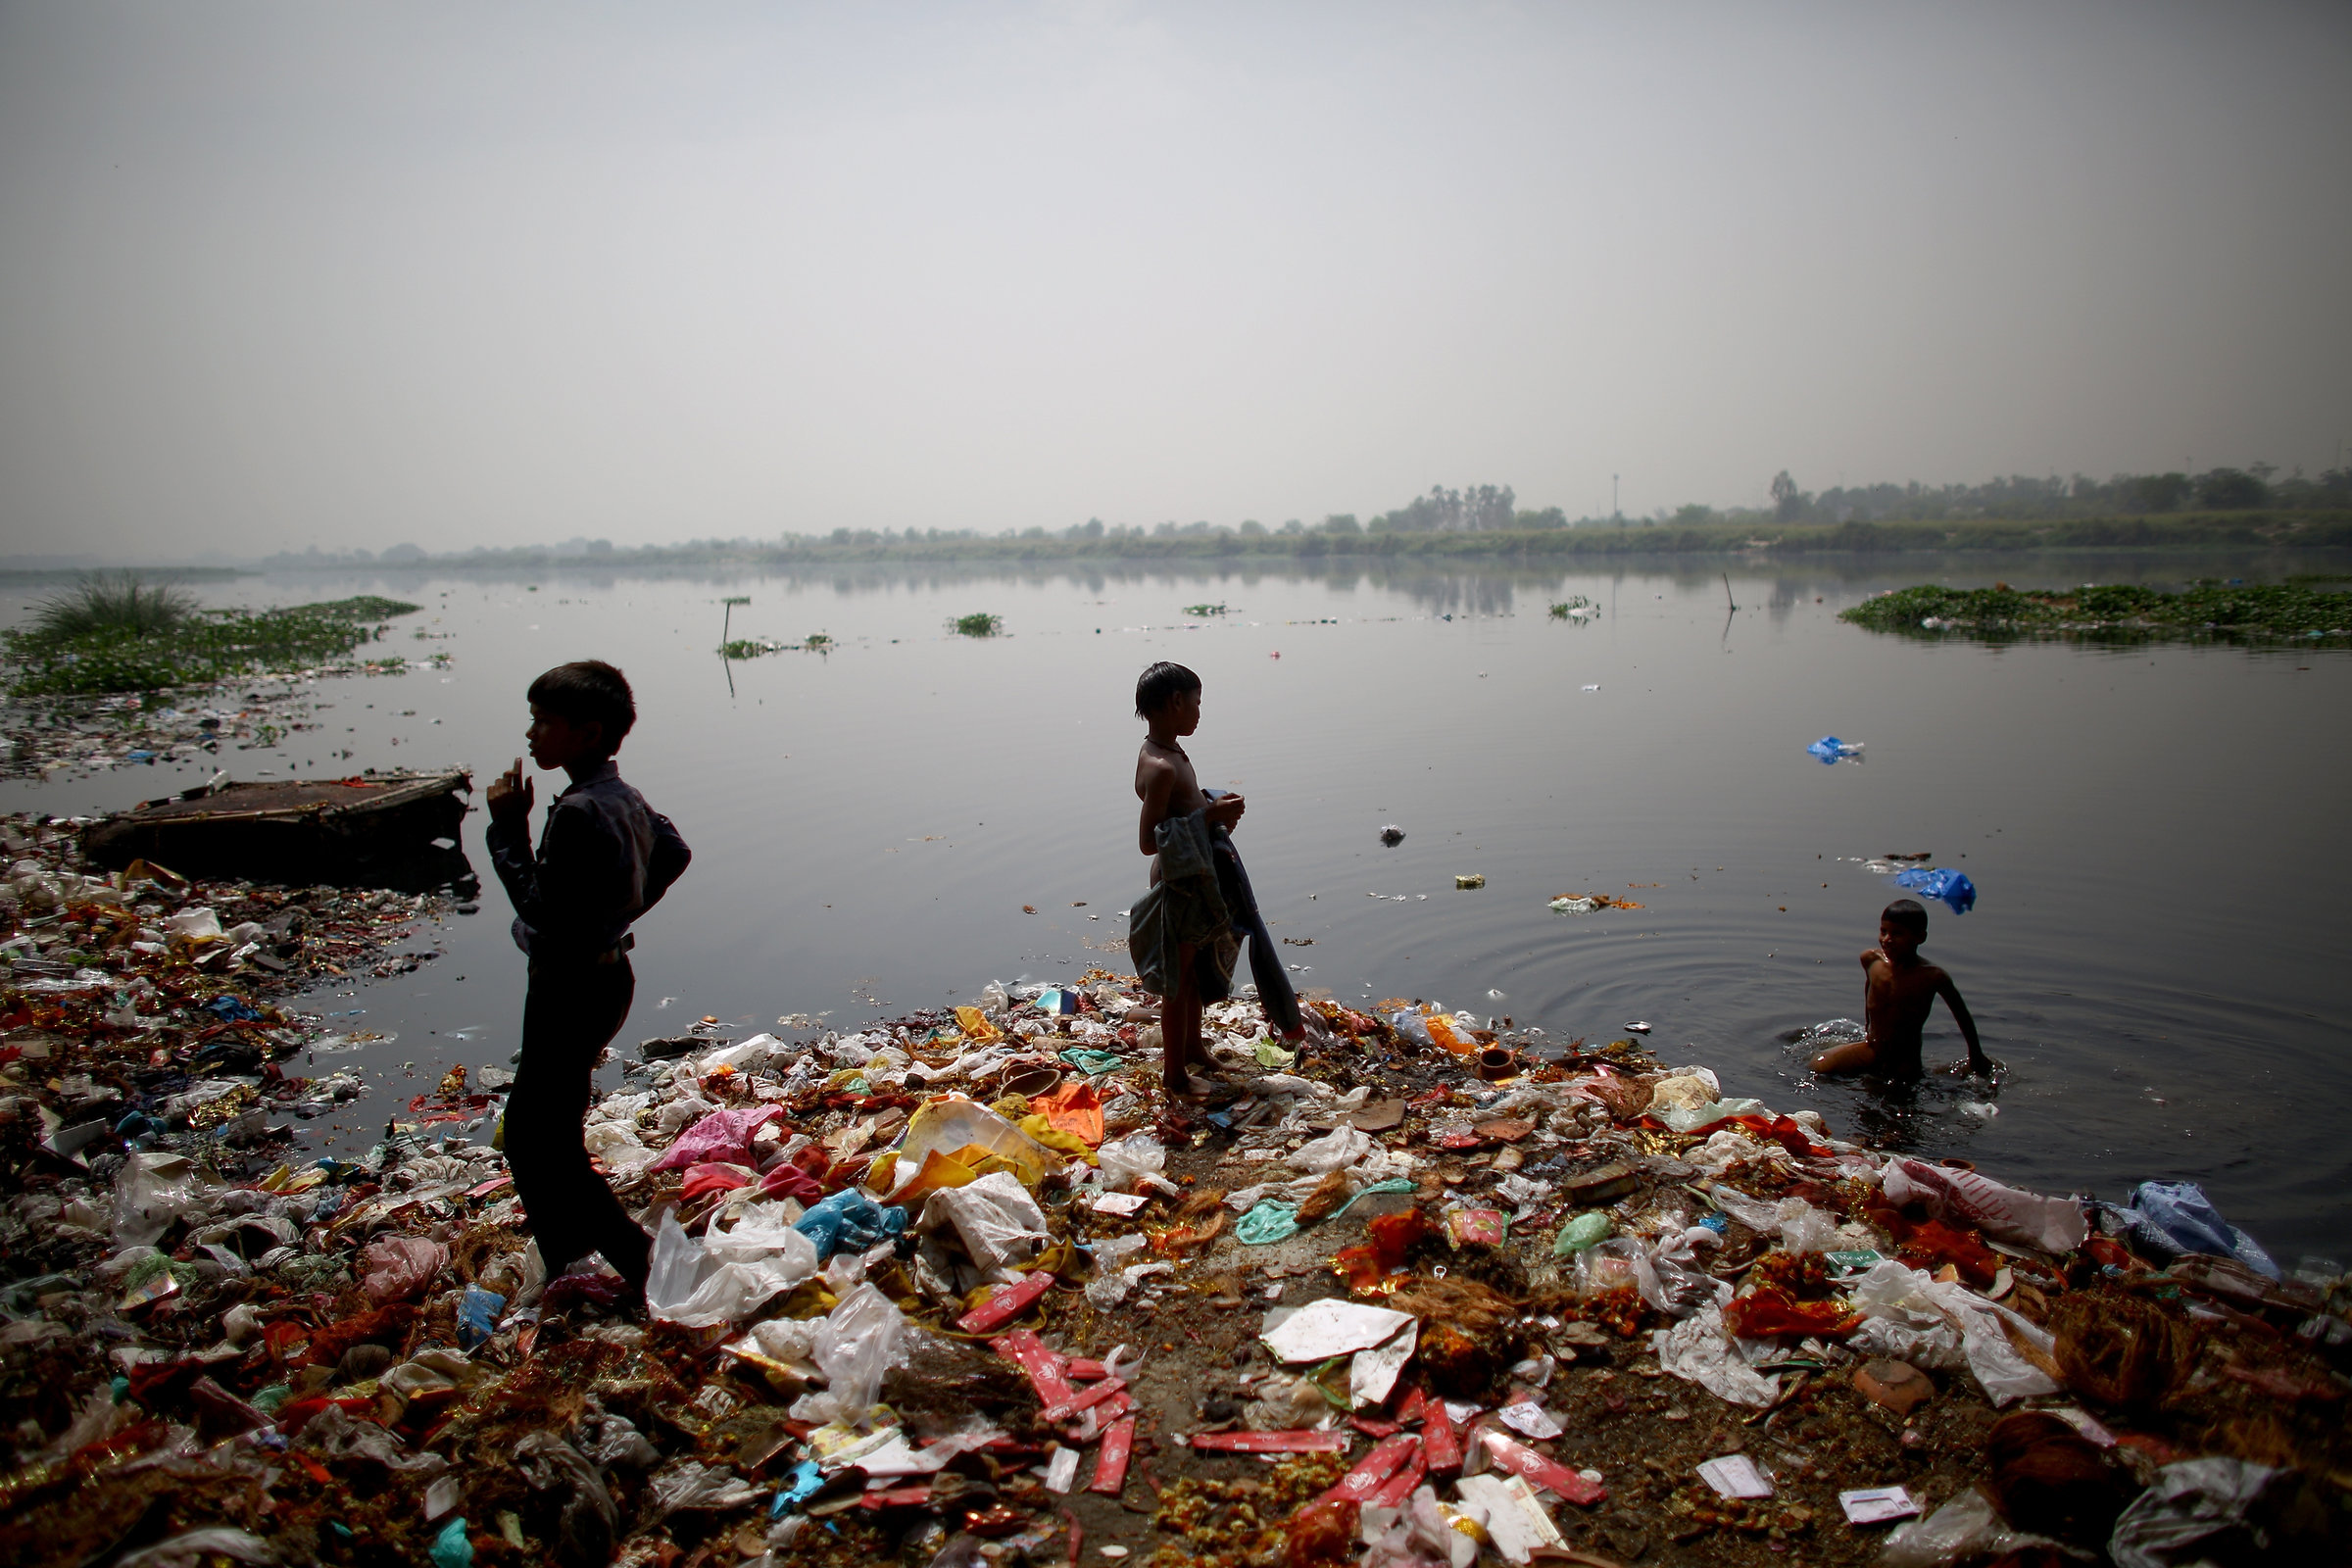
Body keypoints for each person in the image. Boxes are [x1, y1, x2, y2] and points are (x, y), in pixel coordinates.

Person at [486, 661, 690, 1305]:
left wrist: (506, 832)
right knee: (544, 1130)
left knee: (537, 1138)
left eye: (544, 722)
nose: (531, 734)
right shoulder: (620, 795)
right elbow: (674, 852)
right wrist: (619, 913)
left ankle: (638, 1264)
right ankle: (569, 1260)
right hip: (606, 975)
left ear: (586, 732)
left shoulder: (576, 811)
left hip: (568, 987)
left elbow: (538, 908)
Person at [1128, 661, 1300, 1100]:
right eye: (1197, 703)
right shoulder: (1161, 765)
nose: (1200, 713)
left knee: (1193, 975)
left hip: (1193, 876)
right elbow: (1150, 840)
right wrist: (1209, 816)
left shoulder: (1167, 751)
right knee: (1177, 979)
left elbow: (1178, 812)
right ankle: (1175, 1077)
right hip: (1178, 884)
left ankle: (1194, 1049)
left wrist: (1210, 805)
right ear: (1176, 702)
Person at [1810, 898, 1988, 1079]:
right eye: (1883, 931)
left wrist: (1975, 1056)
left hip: (1904, 1060)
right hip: (1873, 1047)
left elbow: (1962, 1016)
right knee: (1818, 1065)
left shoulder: (1932, 976)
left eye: (1897, 934)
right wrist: (1868, 1026)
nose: (1887, 939)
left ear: (1920, 937)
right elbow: (1870, 989)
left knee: (1897, 1095)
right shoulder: (1871, 961)